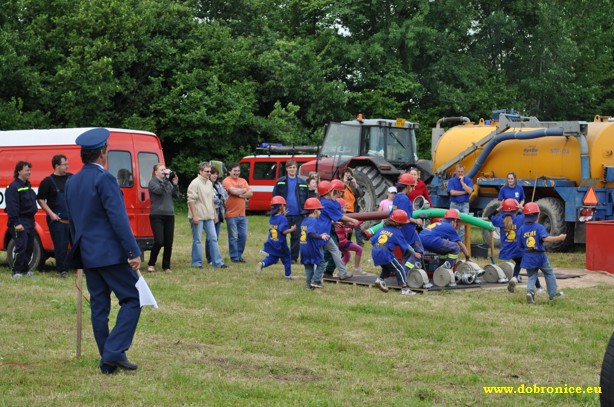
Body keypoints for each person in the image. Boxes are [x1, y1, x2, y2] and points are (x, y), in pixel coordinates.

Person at [65, 128, 142, 374]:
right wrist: (133, 250)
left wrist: (78, 250)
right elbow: (118, 218)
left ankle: (108, 363)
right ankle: (112, 352)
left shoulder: (72, 180)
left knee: (100, 307)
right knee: (133, 299)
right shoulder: (105, 178)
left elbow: (72, 221)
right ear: (102, 153)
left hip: (88, 253)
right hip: (109, 253)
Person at [490, 198, 543, 293]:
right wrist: (521, 207)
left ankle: (515, 277)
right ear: (515, 210)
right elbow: (530, 215)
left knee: (519, 263)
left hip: (508, 249)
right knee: (531, 268)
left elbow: (490, 216)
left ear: (504, 210)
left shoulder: (500, 220)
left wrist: (499, 208)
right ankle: (538, 288)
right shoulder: (520, 218)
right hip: (519, 248)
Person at [517, 202, 566, 304]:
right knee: (548, 273)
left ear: (525, 216)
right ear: (537, 215)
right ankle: (553, 295)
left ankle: (530, 293)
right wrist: (559, 238)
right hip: (540, 256)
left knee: (532, 276)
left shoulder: (521, 229)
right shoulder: (539, 227)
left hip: (528, 257)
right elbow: (546, 238)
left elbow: (519, 246)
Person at [36, 155, 72, 278]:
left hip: (71, 220)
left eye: (67, 164)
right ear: (57, 165)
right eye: (65, 164)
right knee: (61, 246)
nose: (67, 166)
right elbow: (40, 199)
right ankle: (62, 270)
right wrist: (51, 214)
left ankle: (80, 268)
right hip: (58, 221)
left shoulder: (71, 178)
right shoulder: (48, 181)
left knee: (79, 244)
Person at [316, 181, 359, 280]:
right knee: (322, 254)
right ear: (329, 192)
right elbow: (340, 216)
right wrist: (352, 220)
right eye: (332, 190)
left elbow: (333, 216)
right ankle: (316, 275)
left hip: (324, 232)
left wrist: (335, 222)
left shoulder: (326, 201)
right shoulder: (327, 203)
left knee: (334, 250)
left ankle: (342, 272)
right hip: (322, 233)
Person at [187, 162, 227, 269]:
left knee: (213, 238)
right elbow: (191, 201)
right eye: (207, 171)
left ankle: (217, 262)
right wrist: (194, 216)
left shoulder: (209, 183)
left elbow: (211, 200)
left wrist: (214, 214)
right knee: (197, 240)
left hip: (209, 215)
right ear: (200, 171)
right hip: (198, 216)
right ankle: (196, 263)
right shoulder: (194, 183)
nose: (209, 173)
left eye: (210, 171)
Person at [371, 210, 416, 296]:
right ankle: (405, 289)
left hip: (375, 251)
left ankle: (380, 280)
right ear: (399, 224)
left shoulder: (382, 229)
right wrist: (414, 253)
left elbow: (372, 241)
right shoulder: (397, 232)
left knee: (387, 268)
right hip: (385, 253)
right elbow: (406, 246)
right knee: (400, 269)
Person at [271, 160, 308, 263]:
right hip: (284, 215)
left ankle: (293, 258)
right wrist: (279, 210)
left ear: (297, 169)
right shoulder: (280, 181)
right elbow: (275, 197)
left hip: (298, 214)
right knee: (280, 235)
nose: (292, 169)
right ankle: (277, 256)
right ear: (287, 169)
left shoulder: (303, 183)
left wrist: (305, 212)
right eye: (290, 167)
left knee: (296, 237)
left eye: (294, 167)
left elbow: (307, 199)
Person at [6, 161, 38, 279]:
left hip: (29, 221)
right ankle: (16, 271)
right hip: (19, 221)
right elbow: (12, 207)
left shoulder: (27, 185)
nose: (29, 172)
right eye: (26, 170)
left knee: (29, 247)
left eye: (29, 170)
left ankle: (25, 270)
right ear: (19, 171)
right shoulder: (13, 187)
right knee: (20, 246)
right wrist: (17, 223)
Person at [147, 163, 179, 273]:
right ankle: (151, 263)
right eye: (161, 170)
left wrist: (175, 184)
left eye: (165, 169)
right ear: (156, 172)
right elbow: (159, 191)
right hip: (157, 215)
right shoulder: (152, 182)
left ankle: (166, 266)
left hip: (169, 214)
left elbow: (176, 195)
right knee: (159, 241)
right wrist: (166, 179)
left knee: (169, 242)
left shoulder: (168, 183)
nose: (164, 171)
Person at [257, 196, 296, 278]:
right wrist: (291, 230)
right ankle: (288, 275)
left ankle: (263, 263)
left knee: (273, 258)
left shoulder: (272, 217)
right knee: (287, 258)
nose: (286, 207)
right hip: (281, 244)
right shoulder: (283, 219)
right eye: (284, 206)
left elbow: (278, 223)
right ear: (281, 207)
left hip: (272, 241)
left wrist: (283, 215)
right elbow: (283, 230)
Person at [392, 173, 423, 270]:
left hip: (400, 231)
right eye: (413, 186)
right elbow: (406, 217)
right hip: (409, 231)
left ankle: (402, 275)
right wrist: (417, 221)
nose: (413, 189)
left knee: (406, 255)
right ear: (408, 186)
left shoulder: (396, 197)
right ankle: (405, 271)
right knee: (419, 253)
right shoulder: (404, 199)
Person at [222, 163, 253, 263]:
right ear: (229, 171)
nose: (237, 173)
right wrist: (244, 191)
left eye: (238, 171)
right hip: (231, 214)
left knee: (243, 236)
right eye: (235, 171)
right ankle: (234, 257)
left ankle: (239, 255)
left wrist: (240, 193)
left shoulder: (243, 180)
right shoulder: (226, 181)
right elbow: (233, 191)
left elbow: (251, 193)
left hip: (242, 214)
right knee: (234, 236)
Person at [300, 197, 330, 289]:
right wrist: (320, 236)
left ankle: (309, 286)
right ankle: (316, 281)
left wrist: (319, 234)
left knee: (309, 268)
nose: (320, 212)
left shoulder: (304, 220)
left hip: (303, 248)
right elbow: (310, 233)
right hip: (311, 248)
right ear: (315, 211)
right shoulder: (313, 220)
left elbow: (309, 232)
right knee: (321, 264)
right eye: (320, 210)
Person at [334, 198, 364, 275]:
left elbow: (340, 228)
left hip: (340, 241)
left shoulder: (337, 217)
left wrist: (346, 230)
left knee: (347, 255)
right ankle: (356, 268)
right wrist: (362, 219)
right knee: (359, 249)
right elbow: (351, 224)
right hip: (342, 242)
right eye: (345, 207)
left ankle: (341, 270)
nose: (346, 208)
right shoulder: (342, 217)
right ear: (339, 208)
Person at [206, 166, 228, 265]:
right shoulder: (206, 185)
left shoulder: (219, 184)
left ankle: (213, 256)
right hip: (210, 214)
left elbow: (225, 196)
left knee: (216, 237)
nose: (214, 176)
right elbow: (211, 199)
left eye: (216, 174)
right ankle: (210, 258)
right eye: (213, 173)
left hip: (219, 213)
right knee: (210, 237)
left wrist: (219, 198)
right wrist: (219, 198)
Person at [447, 164, 473, 242]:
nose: (460, 173)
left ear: (464, 172)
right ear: (456, 172)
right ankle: (452, 243)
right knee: (452, 224)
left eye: (462, 172)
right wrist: (464, 192)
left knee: (462, 226)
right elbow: (452, 193)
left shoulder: (468, 180)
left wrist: (462, 182)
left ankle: (460, 244)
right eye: (458, 172)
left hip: (465, 205)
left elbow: (470, 191)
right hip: (454, 204)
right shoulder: (451, 181)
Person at [341, 168, 365, 246]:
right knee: (345, 228)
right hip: (343, 210)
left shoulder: (353, 185)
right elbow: (339, 194)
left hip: (353, 209)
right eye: (346, 175)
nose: (348, 177)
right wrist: (344, 183)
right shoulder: (340, 184)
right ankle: (344, 243)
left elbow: (361, 194)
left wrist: (355, 184)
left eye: (349, 175)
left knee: (355, 226)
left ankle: (357, 243)